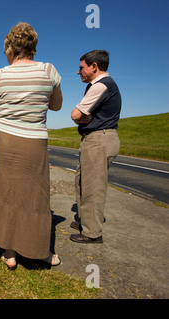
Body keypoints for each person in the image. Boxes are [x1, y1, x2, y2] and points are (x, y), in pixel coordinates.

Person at [0, 22, 63, 269]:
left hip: (3, 141)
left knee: (5, 194)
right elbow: (56, 105)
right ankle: (41, 251)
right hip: (34, 142)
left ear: (11, 48)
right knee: (35, 197)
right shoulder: (49, 70)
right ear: (32, 47)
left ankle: (9, 252)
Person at [70, 50, 121, 244]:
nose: (78, 72)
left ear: (94, 66)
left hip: (100, 140)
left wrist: (84, 118)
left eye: (81, 67)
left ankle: (92, 233)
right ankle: (86, 221)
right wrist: (86, 118)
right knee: (82, 181)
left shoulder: (101, 86)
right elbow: (80, 118)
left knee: (92, 186)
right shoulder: (99, 85)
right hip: (95, 139)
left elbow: (75, 115)